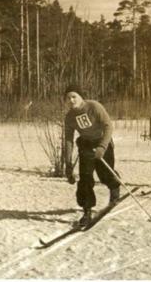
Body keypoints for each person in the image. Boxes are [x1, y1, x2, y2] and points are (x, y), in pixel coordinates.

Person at [63, 84, 121, 227]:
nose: (71, 100)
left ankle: (115, 187)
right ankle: (87, 210)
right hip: (86, 147)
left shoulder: (94, 106)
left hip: (103, 144)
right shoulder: (69, 116)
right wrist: (68, 162)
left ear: (81, 96)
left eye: (74, 96)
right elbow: (69, 139)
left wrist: (102, 146)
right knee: (85, 179)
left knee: (105, 175)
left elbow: (108, 126)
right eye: (68, 98)